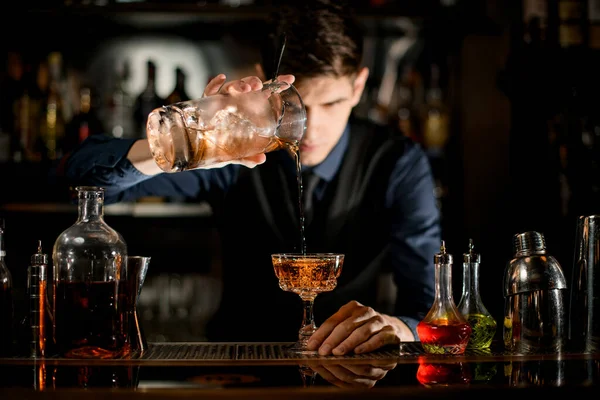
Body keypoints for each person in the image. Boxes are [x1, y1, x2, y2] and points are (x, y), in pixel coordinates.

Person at [53, 0, 440, 356]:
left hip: (354, 372)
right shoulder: (235, 154)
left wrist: (398, 328)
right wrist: (187, 144)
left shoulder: (397, 162)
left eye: (333, 103)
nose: (313, 127)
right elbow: (82, 181)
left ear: (358, 86)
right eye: (300, 105)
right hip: (238, 367)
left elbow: (428, 307)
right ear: (266, 84)